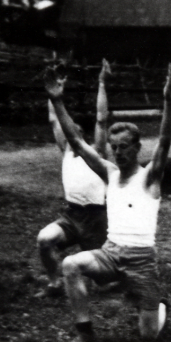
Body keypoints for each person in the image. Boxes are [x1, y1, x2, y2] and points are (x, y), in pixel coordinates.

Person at [44, 63, 171, 342]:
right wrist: (57, 100)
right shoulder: (110, 173)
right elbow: (76, 141)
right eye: (114, 147)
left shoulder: (150, 177)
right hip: (110, 253)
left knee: (148, 336)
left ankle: (160, 306)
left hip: (142, 260)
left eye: (124, 146)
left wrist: (167, 101)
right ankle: (85, 331)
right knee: (70, 264)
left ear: (137, 147)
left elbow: (165, 141)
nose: (118, 152)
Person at [35, 60, 113, 297]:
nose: (69, 134)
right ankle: (54, 284)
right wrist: (53, 94)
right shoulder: (66, 151)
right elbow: (54, 118)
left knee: (103, 284)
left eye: (74, 131)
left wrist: (102, 82)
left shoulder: (97, 153)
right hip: (72, 215)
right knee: (44, 239)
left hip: (96, 218)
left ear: (82, 134)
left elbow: (101, 119)